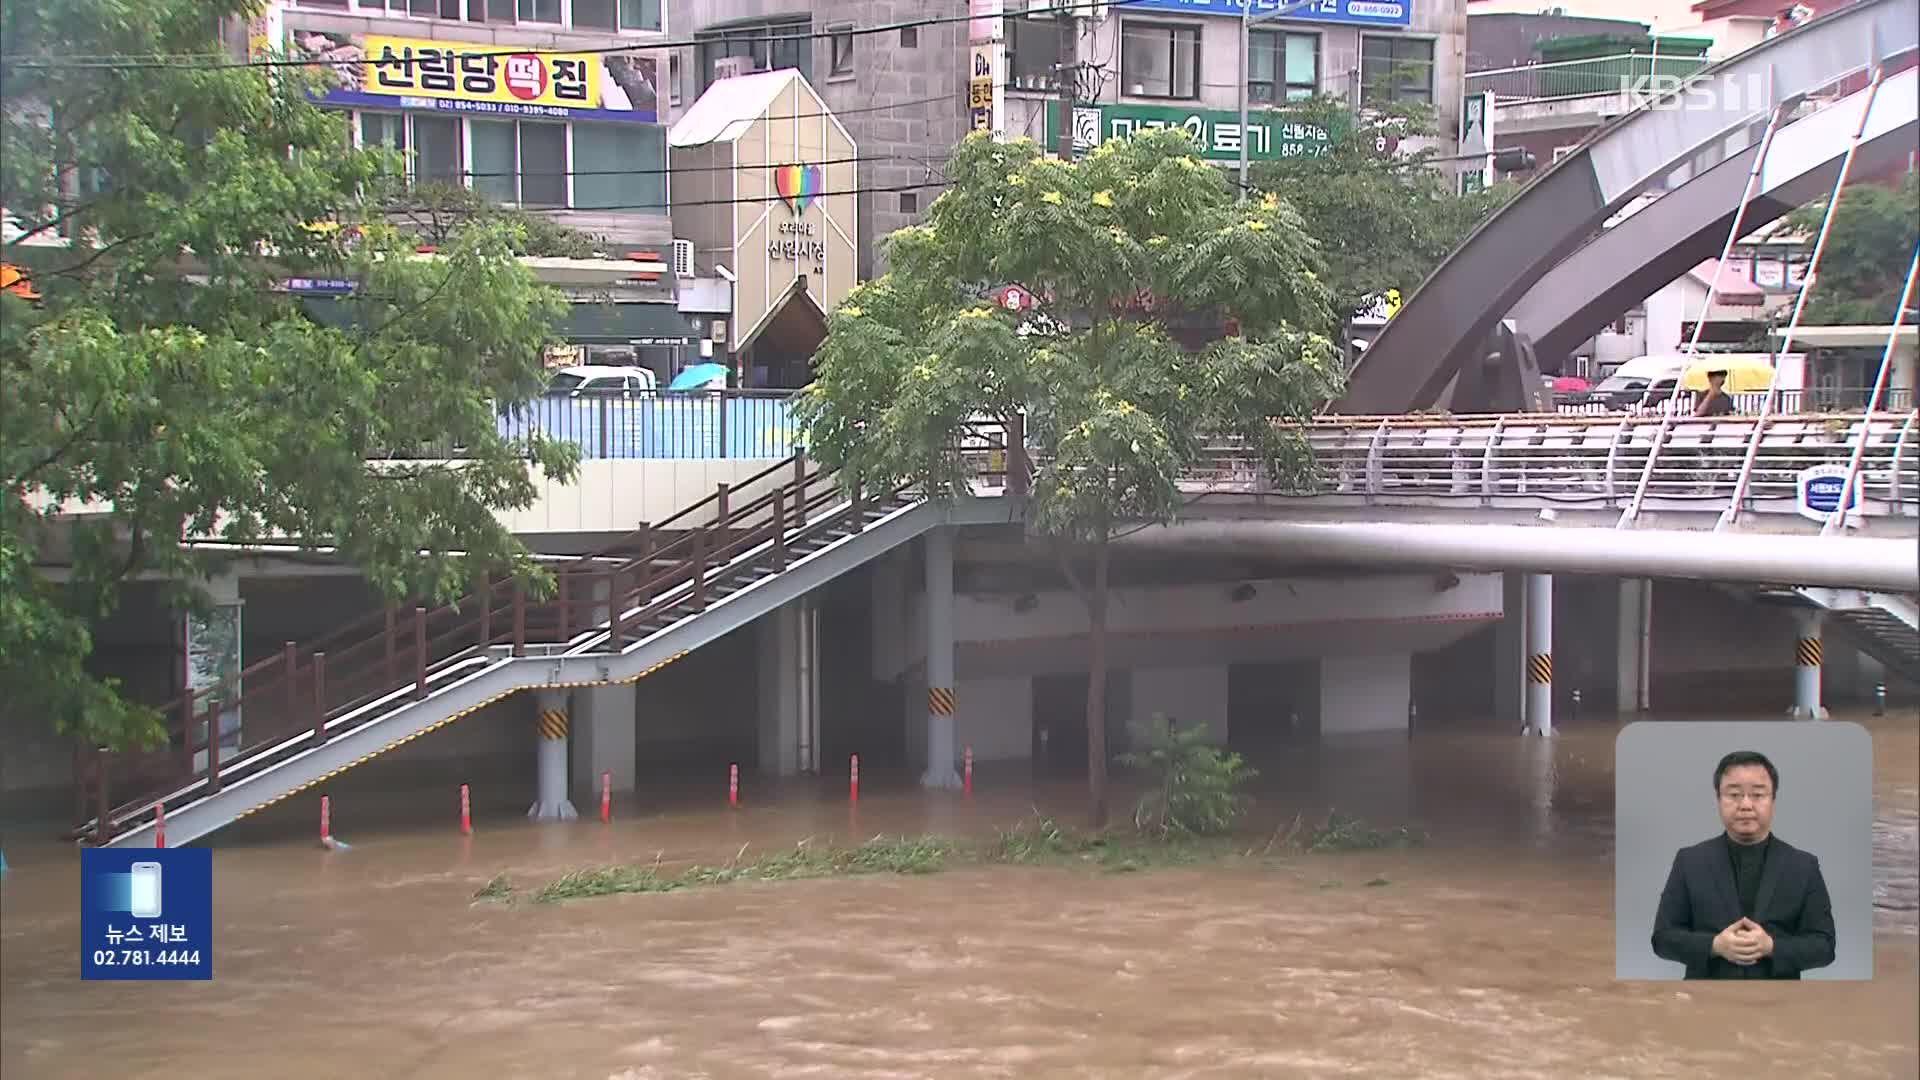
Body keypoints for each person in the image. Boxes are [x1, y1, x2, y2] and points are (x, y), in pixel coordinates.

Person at [1650, 750, 1836, 979]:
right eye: (1734, 794)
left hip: (1779, 1003)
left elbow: (1825, 946)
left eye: (1758, 795)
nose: (1745, 805)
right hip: (1705, 1001)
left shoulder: (1803, 866)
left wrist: (1771, 947)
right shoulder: (1689, 861)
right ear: (1718, 799)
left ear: (1773, 800)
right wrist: (1715, 945)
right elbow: (1662, 938)